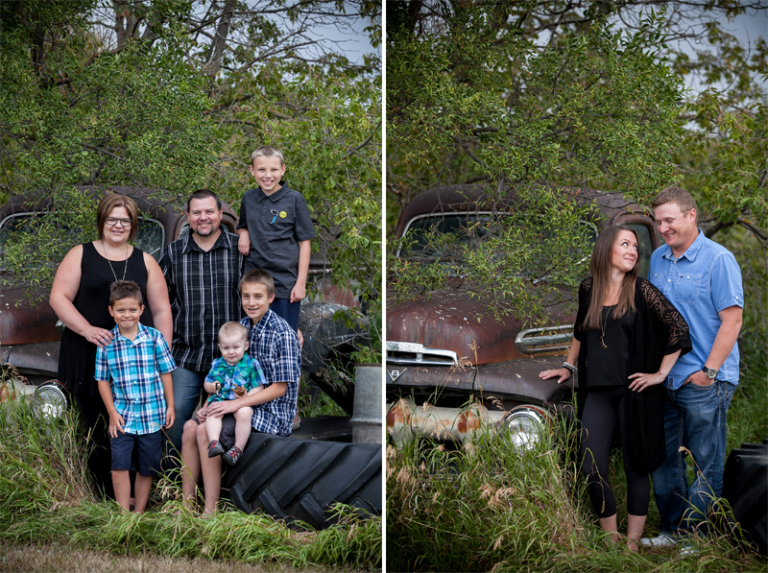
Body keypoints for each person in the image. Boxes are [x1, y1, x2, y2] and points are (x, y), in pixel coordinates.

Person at [539, 225, 691, 550]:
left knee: (636, 467)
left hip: (634, 392)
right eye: (625, 244)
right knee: (590, 466)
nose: (633, 251)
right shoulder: (589, 288)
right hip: (597, 391)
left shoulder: (642, 290)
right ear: (606, 249)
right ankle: (611, 540)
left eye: (635, 246)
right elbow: (580, 331)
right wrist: (567, 366)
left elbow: (678, 329)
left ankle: (632, 544)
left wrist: (660, 374)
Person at [50, 193, 173, 498]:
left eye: (125, 220)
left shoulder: (145, 261)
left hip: (136, 362)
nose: (118, 225)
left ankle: (136, 497)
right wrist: (87, 329)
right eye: (112, 219)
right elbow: (58, 297)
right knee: (97, 426)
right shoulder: (80, 254)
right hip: (88, 352)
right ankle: (103, 496)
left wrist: (161, 356)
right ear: (101, 221)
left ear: (133, 225)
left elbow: (161, 310)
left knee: (135, 429)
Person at [640, 187, 744, 549]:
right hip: (664, 378)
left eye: (669, 220)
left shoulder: (719, 260)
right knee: (663, 458)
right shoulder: (658, 258)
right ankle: (673, 531)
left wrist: (708, 373)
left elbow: (732, 321)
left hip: (704, 380)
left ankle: (698, 537)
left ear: (691, 215)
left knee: (704, 462)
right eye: (658, 222)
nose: (663, 228)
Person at [180, 269, 301, 514]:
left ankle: (210, 511)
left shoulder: (282, 333)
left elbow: (280, 389)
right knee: (190, 427)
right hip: (235, 403)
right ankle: (187, 504)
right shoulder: (242, 327)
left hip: (270, 412)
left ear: (271, 297)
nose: (251, 302)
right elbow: (222, 374)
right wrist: (208, 405)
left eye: (258, 296)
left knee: (203, 432)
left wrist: (233, 405)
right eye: (246, 296)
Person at [157, 189, 243, 456]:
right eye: (196, 212)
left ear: (220, 213)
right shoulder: (173, 253)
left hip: (231, 359)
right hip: (186, 355)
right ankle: (170, 476)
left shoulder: (240, 250)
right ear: (188, 216)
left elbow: (259, 295)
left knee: (225, 425)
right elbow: (156, 301)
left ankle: (217, 477)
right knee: (173, 420)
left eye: (209, 211)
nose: (203, 217)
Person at [94, 281, 175, 512]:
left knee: (147, 467)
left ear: (141, 310)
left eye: (132, 310)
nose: (126, 315)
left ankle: (138, 512)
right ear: (111, 311)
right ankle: (123, 515)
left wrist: (170, 406)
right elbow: (102, 380)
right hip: (122, 417)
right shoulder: (107, 343)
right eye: (120, 310)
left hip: (152, 416)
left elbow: (166, 373)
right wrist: (111, 412)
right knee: (119, 465)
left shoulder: (155, 338)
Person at [236, 145, 315, 332]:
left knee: (283, 337)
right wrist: (243, 233)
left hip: (284, 285)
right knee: (253, 338)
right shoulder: (248, 198)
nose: (268, 175)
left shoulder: (294, 199)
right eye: (261, 170)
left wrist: (301, 283)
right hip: (254, 285)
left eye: (273, 169)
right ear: (252, 170)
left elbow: (305, 243)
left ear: (283, 169)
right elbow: (243, 225)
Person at [203, 321, 265, 466]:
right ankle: (214, 443)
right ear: (220, 347)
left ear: (246, 346)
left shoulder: (252, 364)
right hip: (221, 400)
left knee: (245, 413)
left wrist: (246, 396)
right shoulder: (216, 364)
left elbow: (259, 387)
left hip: (240, 403)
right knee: (212, 411)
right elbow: (206, 384)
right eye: (226, 348)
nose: (231, 352)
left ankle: (237, 449)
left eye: (236, 347)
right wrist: (212, 387)